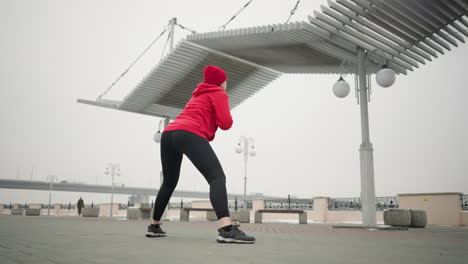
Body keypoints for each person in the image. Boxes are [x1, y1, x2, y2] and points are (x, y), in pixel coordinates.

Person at [145, 65, 255, 244]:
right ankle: (227, 229)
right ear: (221, 81)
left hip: (169, 133)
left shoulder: (197, 95)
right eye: (225, 80)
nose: (227, 83)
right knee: (217, 178)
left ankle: (154, 226)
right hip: (189, 132)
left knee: (169, 182)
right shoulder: (218, 93)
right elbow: (226, 123)